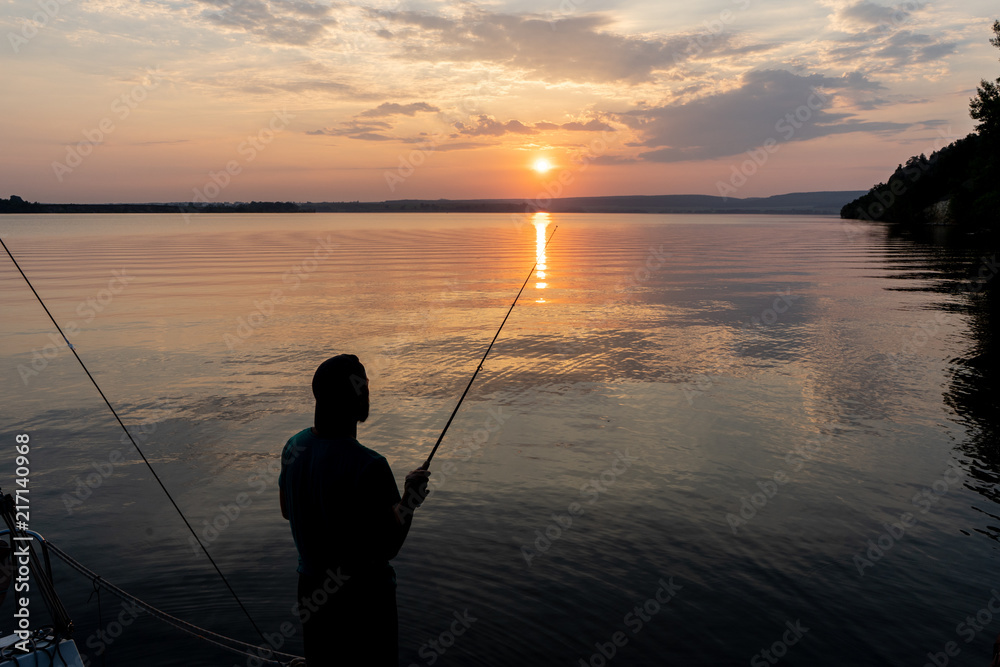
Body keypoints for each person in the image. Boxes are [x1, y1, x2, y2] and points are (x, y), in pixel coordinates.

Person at [279, 354, 430, 666]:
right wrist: (410, 501)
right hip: (365, 602)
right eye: (362, 387)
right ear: (352, 397)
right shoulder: (370, 466)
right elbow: (388, 545)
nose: (367, 393)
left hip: (311, 591)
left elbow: (287, 510)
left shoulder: (294, 447)